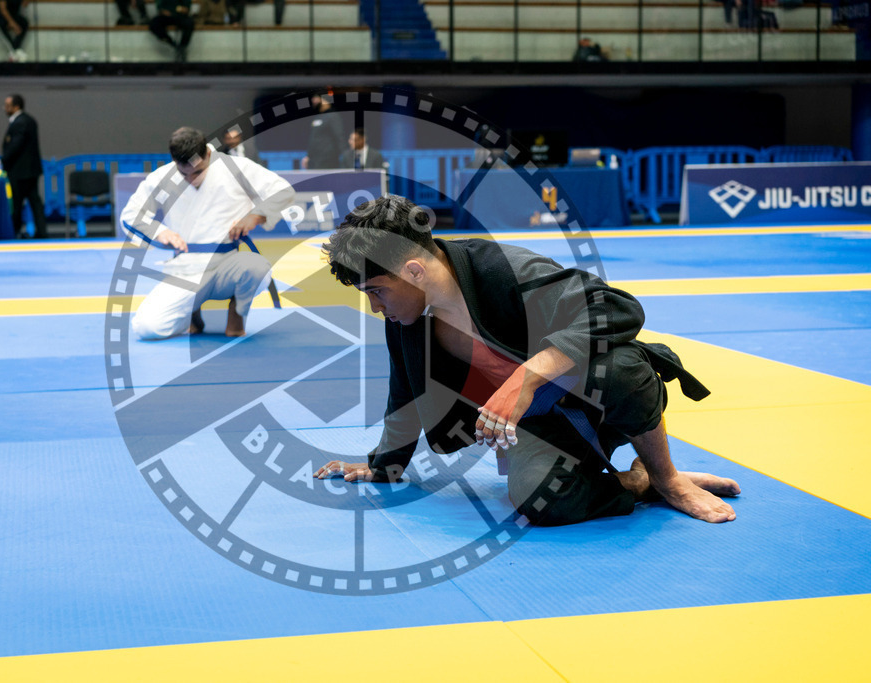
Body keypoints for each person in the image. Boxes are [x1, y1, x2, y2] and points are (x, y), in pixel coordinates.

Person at [315, 195, 740, 526]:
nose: (373, 307)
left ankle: (668, 479)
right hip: (541, 426)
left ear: (413, 271)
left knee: (621, 366)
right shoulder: (407, 320)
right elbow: (404, 393)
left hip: (601, 402)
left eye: (375, 291)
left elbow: (617, 308)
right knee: (539, 501)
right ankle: (640, 482)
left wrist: (529, 375)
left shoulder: (505, 270)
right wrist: (384, 466)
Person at [121, 127, 294, 339]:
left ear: (209, 154)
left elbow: (283, 190)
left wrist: (255, 216)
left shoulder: (236, 168)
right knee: (147, 328)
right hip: (185, 270)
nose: (191, 179)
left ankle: (236, 314)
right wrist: (159, 232)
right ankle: (191, 312)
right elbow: (130, 215)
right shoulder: (162, 177)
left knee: (257, 268)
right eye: (183, 173)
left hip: (227, 265)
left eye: (198, 172)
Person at [2, 94, 48, 239]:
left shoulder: (20, 122)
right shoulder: (27, 120)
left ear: (16, 106)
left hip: (21, 172)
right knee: (34, 201)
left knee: (18, 203)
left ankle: (15, 231)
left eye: (8, 105)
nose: (5, 108)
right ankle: (41, 231)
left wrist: (3, 160)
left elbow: (16, 145)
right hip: (28, 171)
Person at [302, 94, 345, 170]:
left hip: (328, 160)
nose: (314, 101)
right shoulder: (317, 117)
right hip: (314, 160)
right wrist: (308, 156)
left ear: (325, 101)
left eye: (317, 98)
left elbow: (339, 136)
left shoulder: (333, 116)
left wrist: (344, 156)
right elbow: (313, 138)